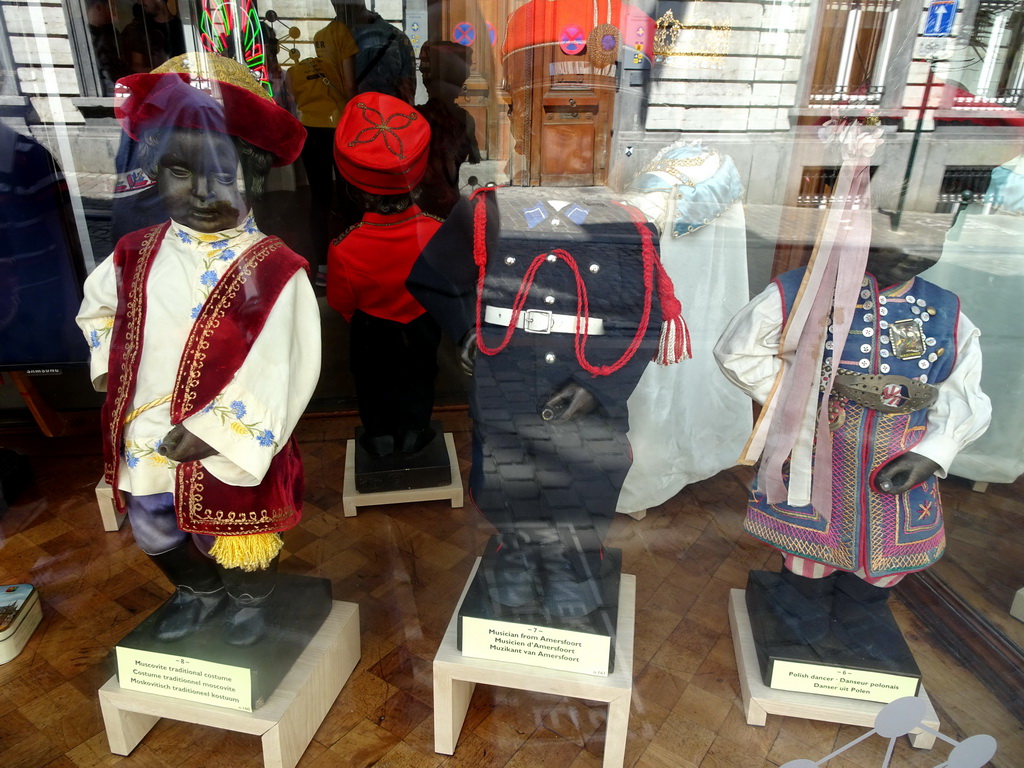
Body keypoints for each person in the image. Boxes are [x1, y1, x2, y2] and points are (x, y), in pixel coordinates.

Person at [77, 52, 318, 647]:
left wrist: (217, 431)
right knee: (153, 523)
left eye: (224, 175)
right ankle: (194, 588)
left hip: (230, 440)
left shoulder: (276, 269)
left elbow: (284, 366)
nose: (203, 192)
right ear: (157, 173)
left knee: (235, 532)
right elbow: (98, 307)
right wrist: (109, 364)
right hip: (144, 424)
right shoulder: (135, 251)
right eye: (181, 173)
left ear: (256, 177)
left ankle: (246, 596)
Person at [407, 186, 687, 619]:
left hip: (586, 369)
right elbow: (434, 275)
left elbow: (644, 315)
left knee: (585, 470)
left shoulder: (625, 224)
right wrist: (465, 329)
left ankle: (570, 567)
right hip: (507, 365)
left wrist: (598, 385)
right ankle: (517, 552)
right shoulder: (487, 213)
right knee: (506, 467)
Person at [714, 242, 991, 655]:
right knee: (809, 547)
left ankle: (862, 612)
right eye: (895, 225)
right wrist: (802, 403)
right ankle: (798, 613)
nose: (913, 244)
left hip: (900, 456)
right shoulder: (801, 291)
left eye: (931, 230)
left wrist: (934, 451)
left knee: (884, 558)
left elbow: (962, 388)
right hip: (818, 451)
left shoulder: (945, 310)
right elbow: (738, 350)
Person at [327, 92, 443, 457]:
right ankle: (414, 432)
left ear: (355, 190)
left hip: (370, 327)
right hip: (422, 321)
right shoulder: (437, 232)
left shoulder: (345, 247)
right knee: (421, 375)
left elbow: (341, 303)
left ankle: (378, 437)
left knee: (372, 381)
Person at [287, 7, 358, 274]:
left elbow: (294, 100)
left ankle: (323, 268)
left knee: (320, 199)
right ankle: (351, 259)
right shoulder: (343, 33)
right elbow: (350, 87)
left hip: (310, 132)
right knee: (348, 194)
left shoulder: (318, 39)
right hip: (338, 127)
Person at [416, 42, 481, 219]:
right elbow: (468, 158)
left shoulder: (418, 118)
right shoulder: (465, 120)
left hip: (425, 206)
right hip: (448, 203)